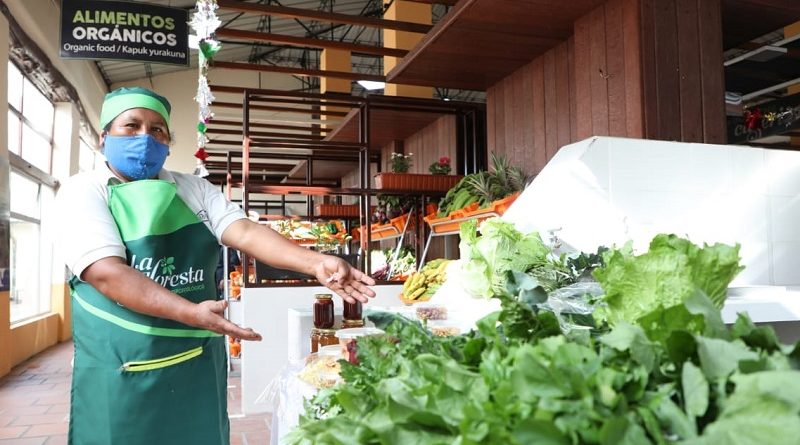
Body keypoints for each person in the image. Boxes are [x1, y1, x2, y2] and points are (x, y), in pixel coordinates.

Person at [54, 87, 375, 445]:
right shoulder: (84, 191)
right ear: (104, 137)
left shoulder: (192, 189)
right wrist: (190, 312)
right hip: (121, 367)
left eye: (157, 129)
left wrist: (316, 262)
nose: (146, 137)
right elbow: (106, 273)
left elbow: (246, 231)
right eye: (131, 126)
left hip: (195, 362)